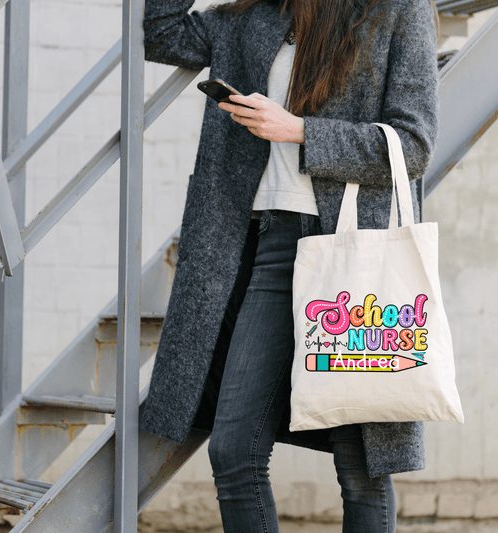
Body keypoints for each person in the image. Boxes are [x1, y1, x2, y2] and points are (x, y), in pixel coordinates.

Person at [139, 0, 439, 530]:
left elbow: (412, 146)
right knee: (233, 451)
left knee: (360, 469)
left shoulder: (397, 9)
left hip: (354, 258)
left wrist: (300, 130)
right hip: (274, 250)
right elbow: (162, 33)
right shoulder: (254, 15)